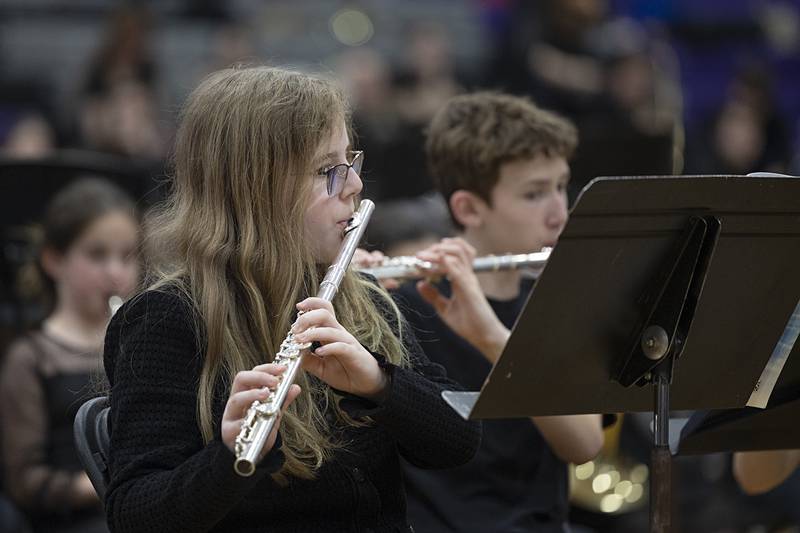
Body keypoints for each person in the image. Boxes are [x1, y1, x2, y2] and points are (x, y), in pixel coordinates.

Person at [101, 66, 480, 533]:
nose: (355, 186)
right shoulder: (166, 320)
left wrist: (380, 384)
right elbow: (134, 516)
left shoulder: (363, 298)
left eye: (350, 162)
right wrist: (228, 460)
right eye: (327, 171)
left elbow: (460, 441)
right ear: (254, 188)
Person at [392, 92, 605, 532]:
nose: (560, 213)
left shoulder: (555, 303)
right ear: (468, 208)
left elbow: (584, 444)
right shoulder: (404, 308)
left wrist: (492, 336)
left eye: (561, 186)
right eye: (534, 194)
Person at [0, 178, 140, 533]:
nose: (116, 273)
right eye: (97, 255)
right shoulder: (31, 357)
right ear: (54, 260)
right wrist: (108, 483)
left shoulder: (142, 343)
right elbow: (23, 482)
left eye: (127, 256)